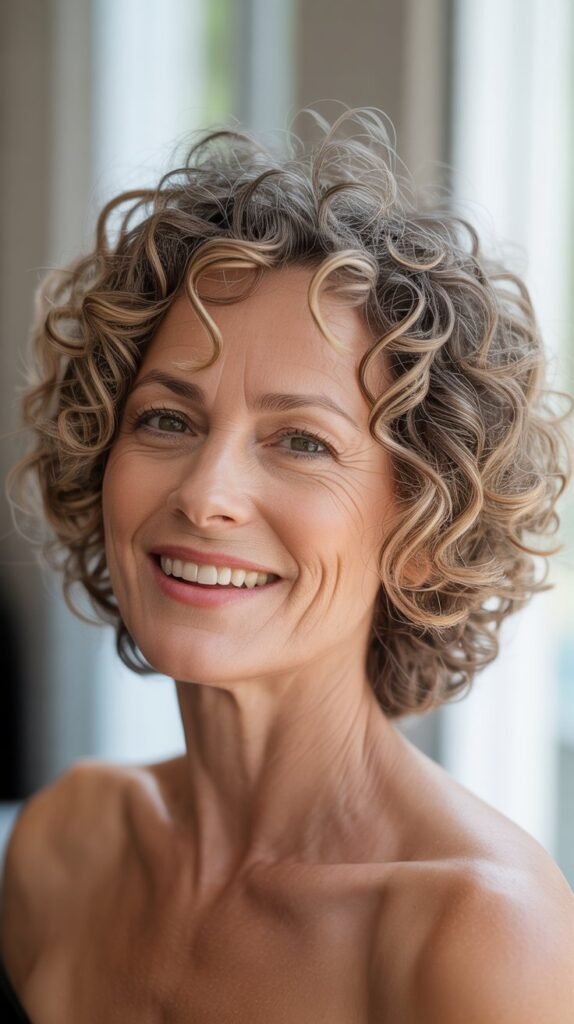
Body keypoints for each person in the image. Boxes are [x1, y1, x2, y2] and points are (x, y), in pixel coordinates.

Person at [1, 107, 573, 1022]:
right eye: (167, 419)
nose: (205, 493)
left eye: (300, 441)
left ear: (426, 532)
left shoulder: (477, 937)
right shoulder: (67, 847)